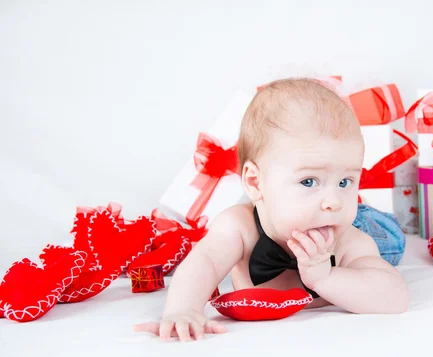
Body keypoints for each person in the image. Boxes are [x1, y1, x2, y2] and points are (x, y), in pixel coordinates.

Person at [135, 78, 408, 342]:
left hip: (370, 224)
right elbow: (203, 262)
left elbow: (394, 297)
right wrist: (184, 310)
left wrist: (327, 277)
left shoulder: (348, 238)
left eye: (345, 181)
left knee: (388, 237)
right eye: (309, 181)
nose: (334, 201)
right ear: (255, 182)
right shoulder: (238, 226)